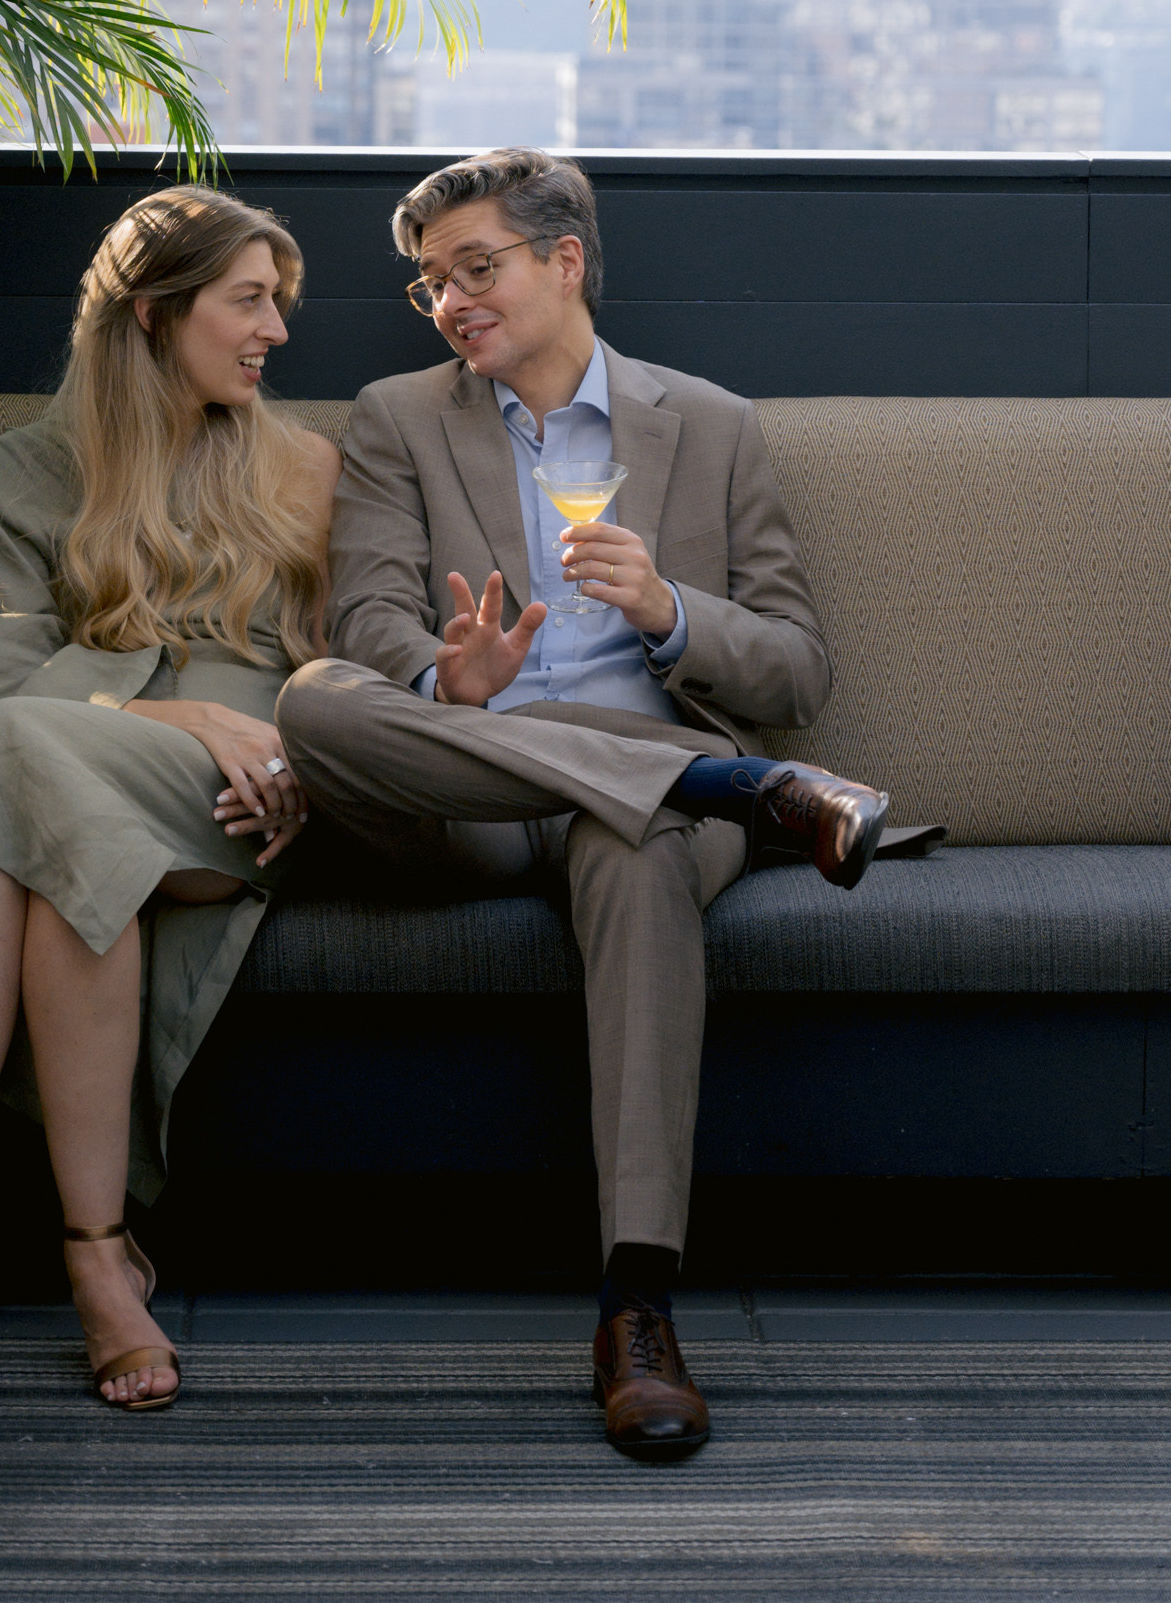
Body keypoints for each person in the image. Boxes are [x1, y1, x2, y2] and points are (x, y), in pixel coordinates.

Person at [272, 146, 888, 1459]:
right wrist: (451, 673)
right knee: (315, 697)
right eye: (430, 284)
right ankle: (746, 794)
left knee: (644, 836)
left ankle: (638, 1307)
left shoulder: (709, 425)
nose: (451, 304)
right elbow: (365, 621)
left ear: (565, 261)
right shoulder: (396, 417)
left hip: (642, 783)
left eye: (475, 269)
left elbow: (799, 666)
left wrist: (671, 615)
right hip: (468, 779)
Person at [0, 186, 338, 1412]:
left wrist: (261, 733)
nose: (275, 332)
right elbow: (2, 688)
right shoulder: (22, 475)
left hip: (243, 801)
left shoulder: (307, 467)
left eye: (279, 304)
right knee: (51, 843)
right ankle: (101, 1258)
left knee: (20, 773)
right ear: (155, 314)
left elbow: (349, 657)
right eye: (247, 302)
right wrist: (171, 710)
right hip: (81, 798)